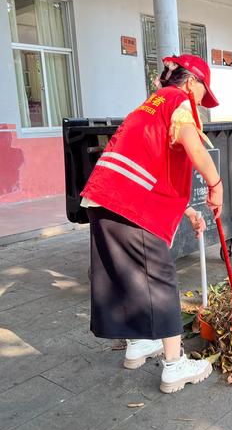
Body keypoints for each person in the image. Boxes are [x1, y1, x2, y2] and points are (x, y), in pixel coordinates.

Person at [80, 54, 223, 393]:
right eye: (204, 94)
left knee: (128, 277)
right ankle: (174, 366)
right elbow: (193, 146)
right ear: (191, 82)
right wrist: (216, 186)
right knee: (159, 281)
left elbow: (151, 161)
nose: (203, 103)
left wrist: (185, 209)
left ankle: (139, 343)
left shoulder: (151, 105)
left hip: (103, 200)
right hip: (131, 207)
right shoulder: (178, 100)